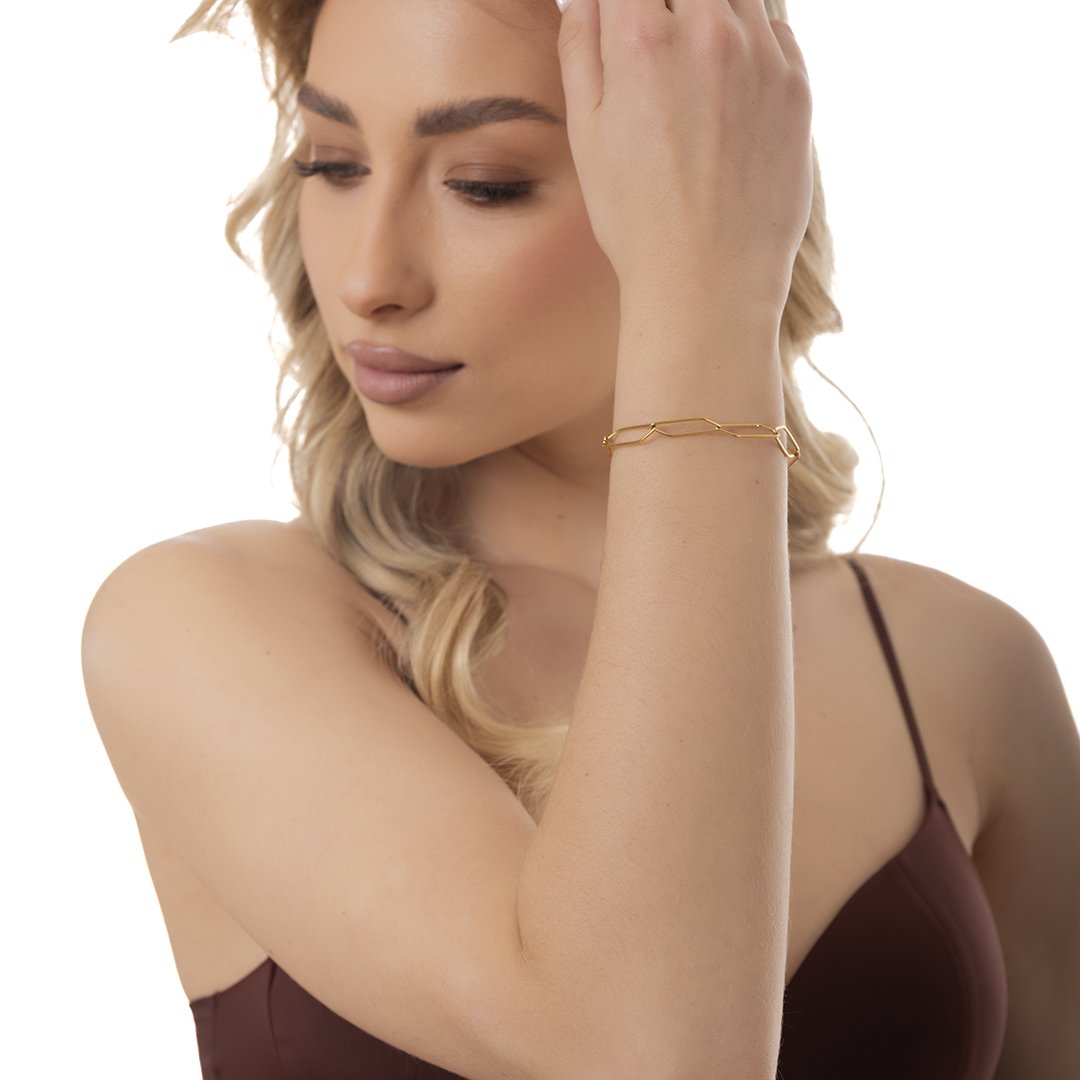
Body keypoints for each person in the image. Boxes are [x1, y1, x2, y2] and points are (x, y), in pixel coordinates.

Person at [80, 0, 1080, 1076]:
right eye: (333, 164)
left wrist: (713, 282)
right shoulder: (203, 624)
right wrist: (706, 302)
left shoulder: (958, 666)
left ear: (730, 169)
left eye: (485, 184)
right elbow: (651, 1054)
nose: (370, 280)